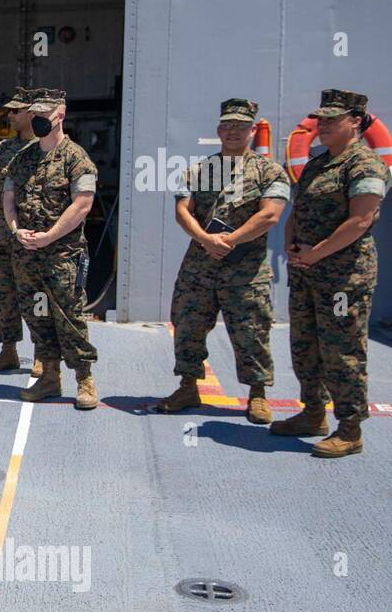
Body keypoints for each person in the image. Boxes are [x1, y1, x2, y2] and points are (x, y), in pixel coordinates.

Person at [154, 99, 290, 422]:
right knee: (187, 325)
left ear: (253, 130)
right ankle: (188, 386)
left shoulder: (269, 172)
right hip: (199, 268)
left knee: (251, 332)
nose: (232, 131)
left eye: (241, 126)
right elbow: (182, 210)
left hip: (246, 271)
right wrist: (205, 239)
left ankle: (257, 395)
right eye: (227, 125)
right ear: (218, 129)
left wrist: (228, 240)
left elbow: (270, 215)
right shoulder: (199, 170)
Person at [270, 88, 389, 457]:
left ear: (355, 122)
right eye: (320, 119)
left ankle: (350, 429)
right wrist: (293, 247)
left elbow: (360, 220)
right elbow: (297, 210)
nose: (322, 126)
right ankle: (312, 414)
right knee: (306, 346)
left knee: (342, 350)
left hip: (342, 281)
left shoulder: (364, 164)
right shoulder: (319, 164)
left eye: (331, 119)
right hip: (307, 274)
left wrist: (315, 254)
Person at [1, 87, 100, 409]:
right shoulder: (23, 157)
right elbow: (8, 197)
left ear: (61, 115)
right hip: (27, 256)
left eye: (44, 114)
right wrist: (16, 229)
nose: (38, 119)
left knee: (69, 318)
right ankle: (49, 378)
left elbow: (82, 205)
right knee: (38, 316)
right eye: (34, 115)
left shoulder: (76, 158)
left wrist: (49, 236)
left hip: (62, 257)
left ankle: (84, 380)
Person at [0, 88, 40, 376]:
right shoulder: (2, 150)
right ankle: (8, 350)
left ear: (33, 113)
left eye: (17, 111)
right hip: (4, 236)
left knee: (38, 296)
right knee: (4, 295)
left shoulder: (49, 147)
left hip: (36, 239)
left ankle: (44, 353)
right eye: (10, 111)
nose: (11, 115)